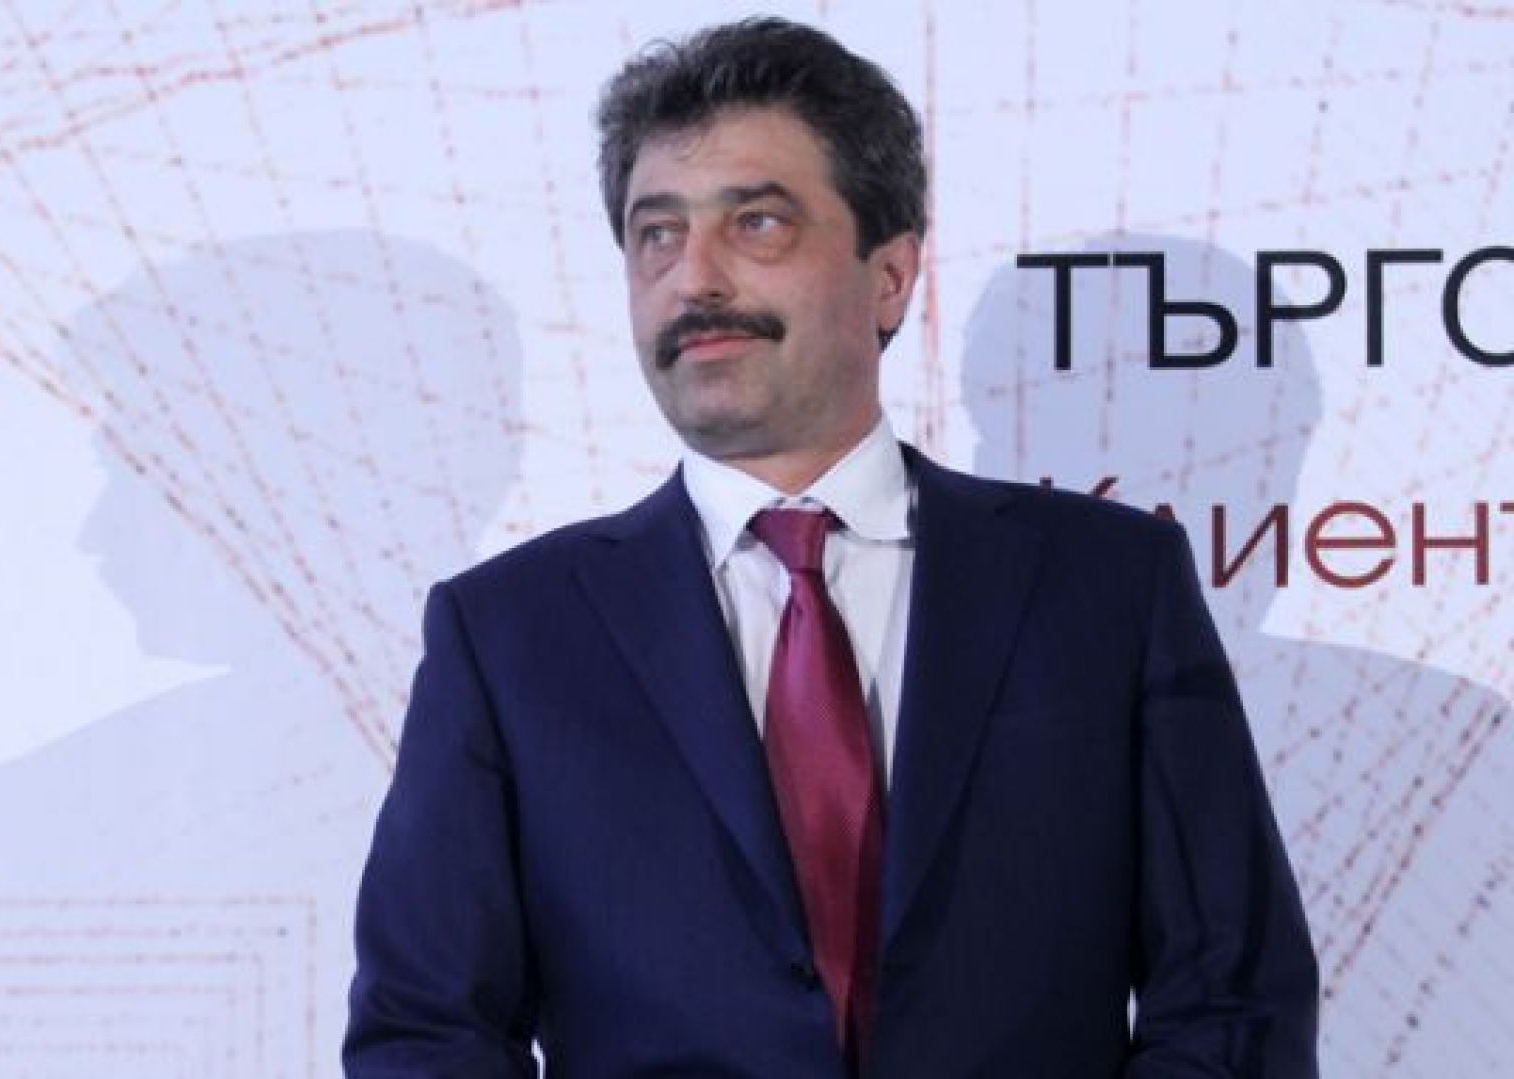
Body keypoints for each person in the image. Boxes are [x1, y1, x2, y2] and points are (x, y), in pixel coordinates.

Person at [345, 17, 1318, 1077]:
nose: (693, 278)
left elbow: (1231, 998)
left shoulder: (1108, 587)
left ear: (889, 274)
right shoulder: (508, 633)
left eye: (756, 223)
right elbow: (425, 1030)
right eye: (656, 234)